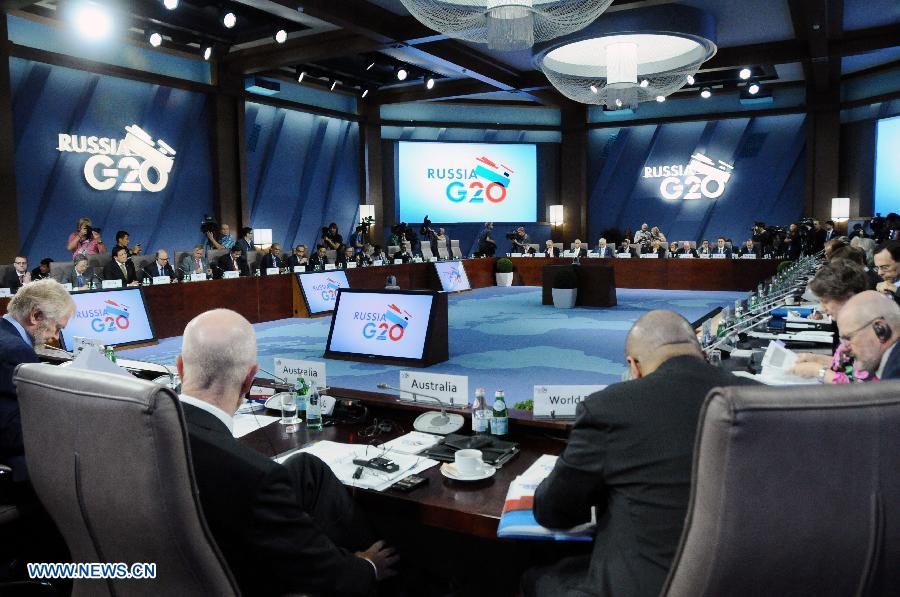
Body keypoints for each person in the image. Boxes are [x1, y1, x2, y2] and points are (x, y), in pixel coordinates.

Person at [526, 311, 758, 597]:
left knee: (536, 576)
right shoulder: (757, 397)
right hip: (744, 580)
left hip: (646, 586)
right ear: (700, 350)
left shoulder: (610, 407)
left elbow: (555, 512)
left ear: (633, 366)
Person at [175, 309, 398, 596]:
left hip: (176, 563)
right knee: (359, 573)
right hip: (243, 577)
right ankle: (388, 579)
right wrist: (368, 566)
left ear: (181, 367)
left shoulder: (142, 428)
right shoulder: (254, 478)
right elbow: (314, 573)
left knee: (307, 468)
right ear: (249, 379)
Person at [1, 280, 76, 486]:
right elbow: (14, 433)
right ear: (35, 316)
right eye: (57, 328)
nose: (55, 337)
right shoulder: (15, 351)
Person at [789, 260, 874, 383]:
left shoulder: (868, 331)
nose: (822, 309)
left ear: (848, 297)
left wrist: (818, 371)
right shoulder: (852, 324)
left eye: (825, 301)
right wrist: (815, 358)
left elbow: (858, 384)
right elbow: (848, 366)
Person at [836, 291, 900, 380]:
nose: (845, 348)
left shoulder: (896, 370)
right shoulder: (888, 360)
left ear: (880, 329)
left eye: (849, 338)